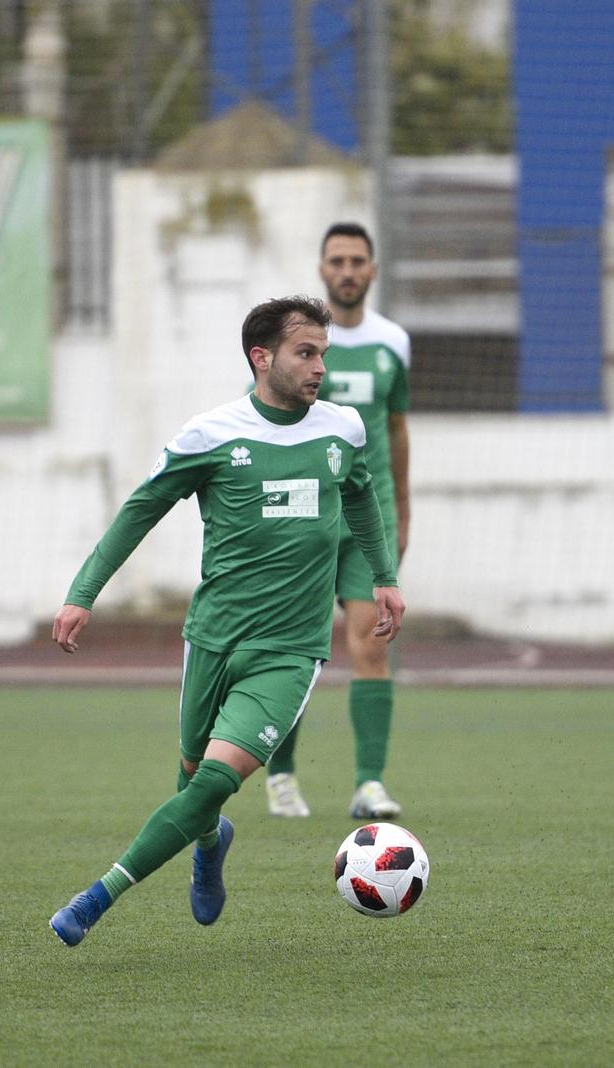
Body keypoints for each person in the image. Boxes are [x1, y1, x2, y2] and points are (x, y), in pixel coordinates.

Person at [47, 295, 404, 946]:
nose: (320, 366)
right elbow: (141, 509)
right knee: (192, 787)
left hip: (290, 651)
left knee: (213, 780)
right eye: (306, 353)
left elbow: (362, 498)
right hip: (212, 638)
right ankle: (211, 846)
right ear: (261, 358)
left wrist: (384, 577)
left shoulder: (342, 430)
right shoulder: (211, 434)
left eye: (323, 353)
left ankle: (98, 897)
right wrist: (84, 591)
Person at [263, 223, 414, 820]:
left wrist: (402, 507)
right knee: (292, 650)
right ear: (322, 270)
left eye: (358, 260)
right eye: (337, 260)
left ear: (373, 270)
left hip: (364, 521)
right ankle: (281, 777)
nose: (348, 270)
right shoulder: (296, 343)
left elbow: (398, 429)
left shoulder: (393, 343)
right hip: (303, 517)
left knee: (370, 644)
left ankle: (369, 784)